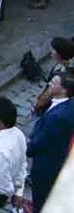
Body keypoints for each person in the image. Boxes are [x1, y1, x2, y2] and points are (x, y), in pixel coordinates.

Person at [27, 72, 74, 210]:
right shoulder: (65, 104)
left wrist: (26, 149)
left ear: (63, 90)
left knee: (40, 199)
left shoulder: (58, 116)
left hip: (46, 165)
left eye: (54, 83)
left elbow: (42, 141)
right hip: (55, 155)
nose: (49, 84)